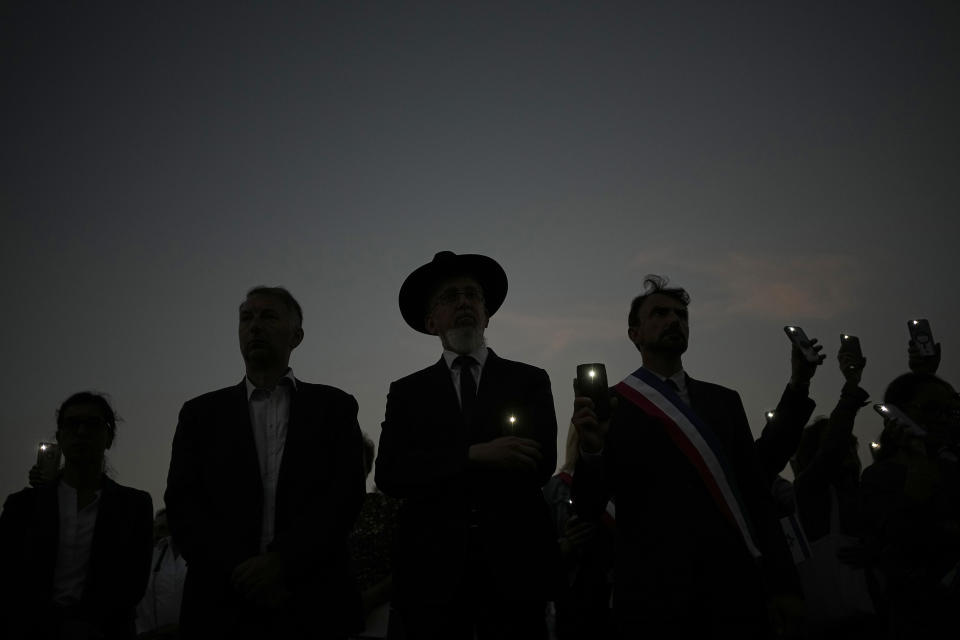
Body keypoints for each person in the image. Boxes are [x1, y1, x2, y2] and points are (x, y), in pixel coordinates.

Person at [572, 275, 801, 638]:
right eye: (659, 314)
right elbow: (587, 506)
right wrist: (592, 449)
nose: (674, 320)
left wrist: (783, 584)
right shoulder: (613, 405)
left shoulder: (725, 401)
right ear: (635, 333)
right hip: (654, 597)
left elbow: (755, 495)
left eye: (681, 315)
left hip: (733, 588)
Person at [375, 251, 559, 640]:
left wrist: (436, 466)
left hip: (515, 568)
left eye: (472, 295)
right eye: (449, 297)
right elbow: (391, 472)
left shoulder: (528, 379)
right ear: (430, 322)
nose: (463, 303)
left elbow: (538, 461)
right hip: (432, 574)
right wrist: (475, 454)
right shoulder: (407, 392)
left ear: (487, 314)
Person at [164, 286, 366, 639]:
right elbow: (184, 504)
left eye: (268, 316)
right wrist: (241, 571)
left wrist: (283, 563)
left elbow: (344, 497)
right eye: (246, 318)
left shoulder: (334, 407)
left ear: (297, 335)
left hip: (314, 603)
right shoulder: (200, 414)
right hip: (221, 606)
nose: (254, 325)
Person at [0, 392, 154, 640]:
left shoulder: (134, 507)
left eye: (93, 424)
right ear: (59, 436)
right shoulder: (22, 507)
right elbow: (10, 579)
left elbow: (132, 583)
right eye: (72, 424)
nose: (81, 432)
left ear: (109, 437)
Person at [860, 371, 960, 637]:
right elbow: (896, 539)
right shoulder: (881, 476)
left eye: (951, 410)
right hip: (924, 616)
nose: (943, 418)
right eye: (931, 409)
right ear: (898, 416)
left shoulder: (952, 466)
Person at [135, 509, 187, 639]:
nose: (156, 534)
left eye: (163, 528)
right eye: (155, 528)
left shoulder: (206, 554)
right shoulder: (149, 558)